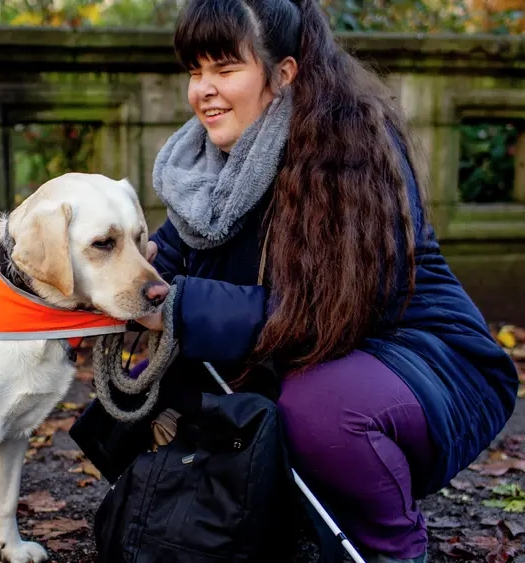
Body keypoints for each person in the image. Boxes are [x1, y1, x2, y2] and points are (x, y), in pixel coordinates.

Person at [104, 1, 520, 562]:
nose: (203, 89)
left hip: (424, 360)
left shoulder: (351, 149)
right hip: (312, 355)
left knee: (319, 409)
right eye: (194, 70)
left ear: (285, 72)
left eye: (225, 69)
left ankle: (393, 546)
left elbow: (324, 314)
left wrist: (174, 307)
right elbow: (168, 267)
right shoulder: (203, 163)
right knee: (138, 399)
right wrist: (111, 281)